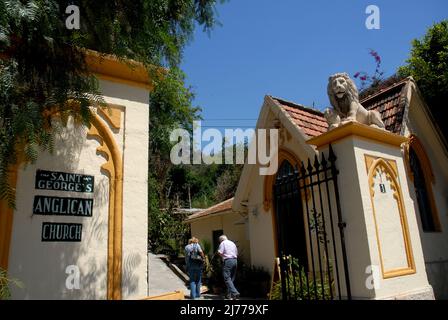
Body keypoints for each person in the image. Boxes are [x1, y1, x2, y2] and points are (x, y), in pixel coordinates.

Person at [217, 235, 240, 300]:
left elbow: (219, 252)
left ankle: (235, 293)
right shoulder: (232, 243)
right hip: (235, 261)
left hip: (228, 261)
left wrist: (222, 257)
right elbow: (237, 253)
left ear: (221, 240)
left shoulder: (223, 243)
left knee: (227, 278)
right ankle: (229, 296)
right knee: (231, 279)